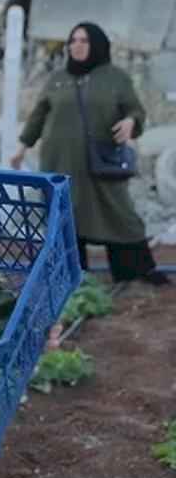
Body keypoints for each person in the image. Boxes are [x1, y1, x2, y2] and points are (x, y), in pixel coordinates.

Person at [12, 22, 170, 286]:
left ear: (97, 45)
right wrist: (21, 149)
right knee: (66, 218)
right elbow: (38, 116)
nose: (76, 45)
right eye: (73, 40)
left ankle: (135, 271)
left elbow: (135, 110)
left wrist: (131, 123)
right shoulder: (57, 79)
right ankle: (74, 276)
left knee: (120, 214)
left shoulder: (115, 77)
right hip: (60, 163)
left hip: (102, 164)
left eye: (84, 41)